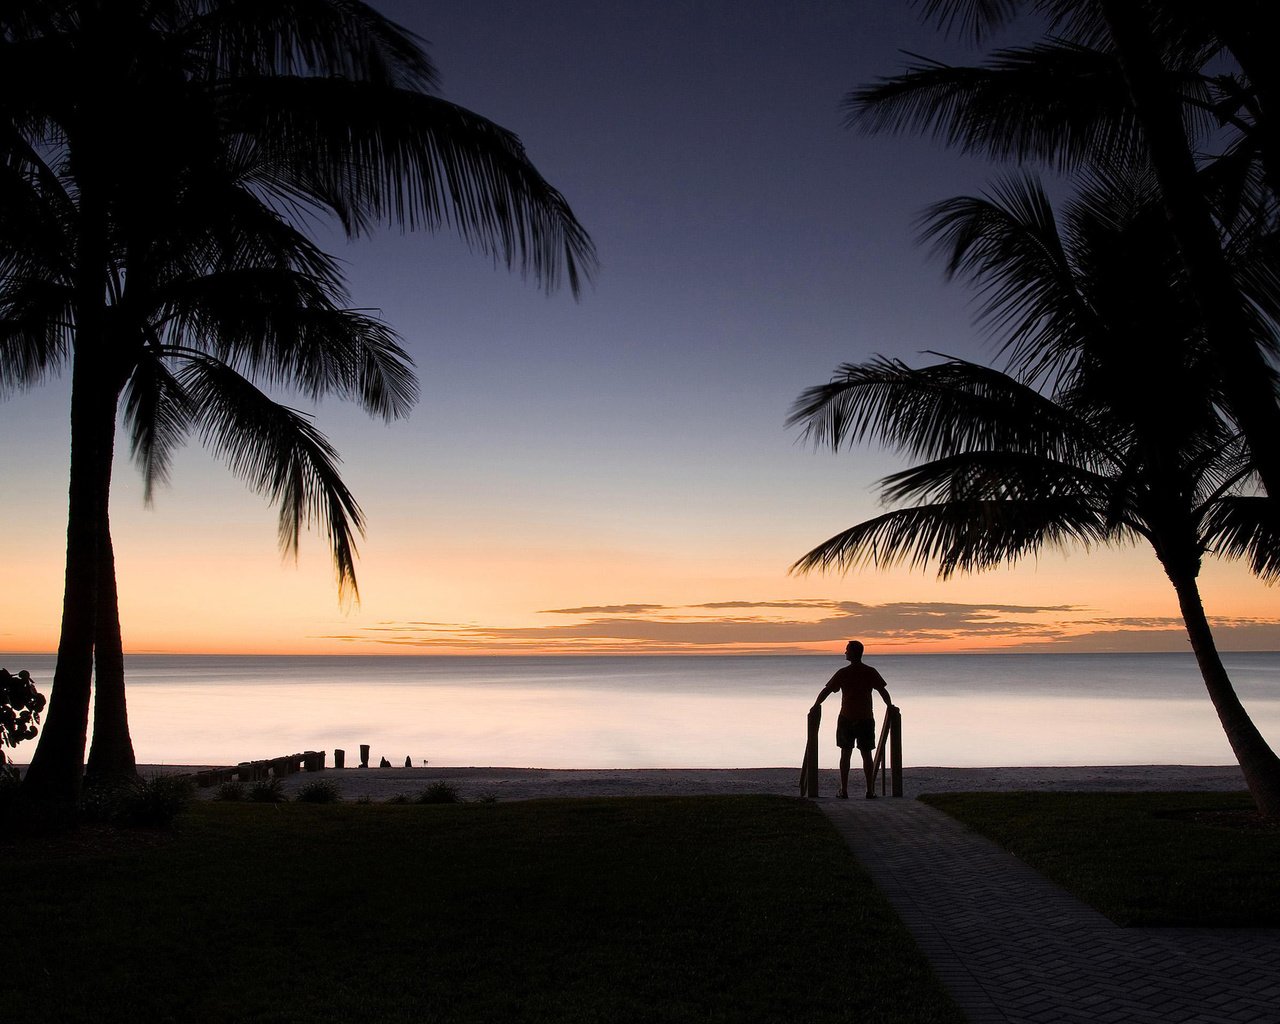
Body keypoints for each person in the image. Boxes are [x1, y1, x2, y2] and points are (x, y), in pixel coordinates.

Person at [812, 640, 892, 799]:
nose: (844, 652)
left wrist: (816, 705)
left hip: (847, 718)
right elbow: (882, 691)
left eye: (847, 650)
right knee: (866, 754)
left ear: (853, 653)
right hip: (865, 718)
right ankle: (869, 790)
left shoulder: (844, 673)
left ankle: (845, 790)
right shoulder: (869, 671)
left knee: (846, 754)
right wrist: (890, 705)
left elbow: (827, 690)